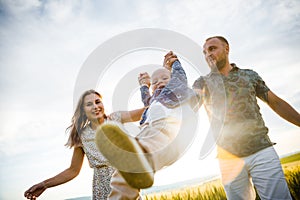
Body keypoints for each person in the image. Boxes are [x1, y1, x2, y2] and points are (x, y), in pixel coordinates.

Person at [192, 36, 300, 200]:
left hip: (261, 150)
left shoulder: (249, 75)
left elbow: (276, 103)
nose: (208, 54)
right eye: (205, 52)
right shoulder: (202, 83)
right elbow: (189, 106)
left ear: (227, 48)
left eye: (212, 49)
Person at [95, 51, 197, 199]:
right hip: (145, 133)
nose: (159, 82)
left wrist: (174, 63)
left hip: (165, 131)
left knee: (138, 154)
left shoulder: (174, 92)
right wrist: (144, 85)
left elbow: (180, 77)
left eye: (164, 78)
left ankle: (141, 163)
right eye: (155, 82)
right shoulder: (154, 101)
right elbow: (146, 99)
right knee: (123, 172)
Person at [24, 89, 145, 200]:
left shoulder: (116, 118)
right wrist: (44, 185)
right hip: (102, 191)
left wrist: (159, 86)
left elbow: (147, 111)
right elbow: (73, 170)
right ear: (83, 111)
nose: (95, 107)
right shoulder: (81, 136)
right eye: (89, 104)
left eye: (98, 102)